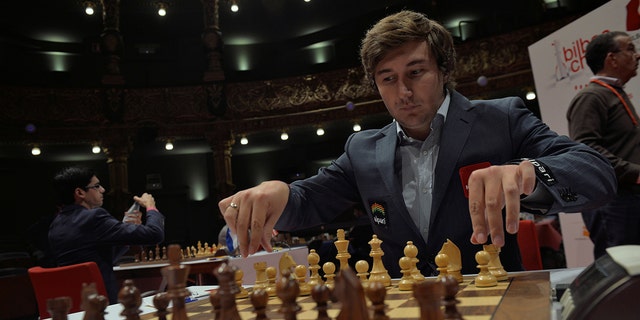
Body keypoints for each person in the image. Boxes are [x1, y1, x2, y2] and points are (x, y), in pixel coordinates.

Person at [218, 10, 617, 277]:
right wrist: (275, 192)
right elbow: (308, 200)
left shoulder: (501, 119)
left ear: (443, 69)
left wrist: (527, 172)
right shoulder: (363, 150)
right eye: (387, 78)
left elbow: (595, 172)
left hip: (491, 302)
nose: (403, 91)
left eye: (416, 71)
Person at [566, 31, 640, 259]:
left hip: (625, 199)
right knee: (621, 273)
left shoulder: (613, 93)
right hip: (613, 202)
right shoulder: (591, 97)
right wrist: (635, 173)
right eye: (630, 48)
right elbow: (586, 149)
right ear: (612, 59)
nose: (637, 55)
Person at [48, 166, 165, 304]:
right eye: (96, 186)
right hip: (102, 304)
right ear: (80, 192)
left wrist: (125, 234)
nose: (103, 190)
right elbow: (155, 234)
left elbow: (98, 260)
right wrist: (151, 207)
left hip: (72, 306)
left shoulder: (55, 224)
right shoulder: (94, 217)